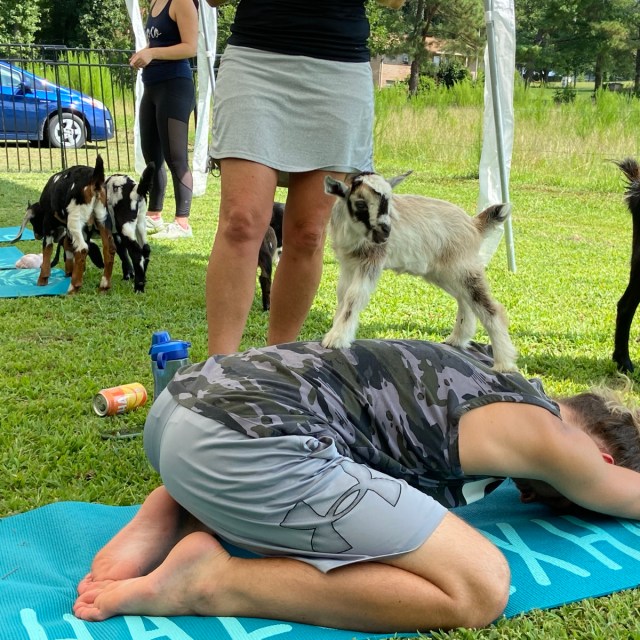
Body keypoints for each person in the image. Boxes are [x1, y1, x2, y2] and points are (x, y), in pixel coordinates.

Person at [73, 339, 640, 633]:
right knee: (480, 586)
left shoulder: (481, 368)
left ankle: (177, 504)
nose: (530, 494)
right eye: (552, 494)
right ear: (602, 454)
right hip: (245, 445)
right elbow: (622, 490)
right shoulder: (550, 433)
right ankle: (213, 583)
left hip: (184, 406)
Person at [203, 0, 406, 355]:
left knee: (308, 233)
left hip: (338, 67)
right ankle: (220, 372)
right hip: (256, 60)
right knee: (241, 221)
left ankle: (280, 366)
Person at [130, 0, 198, 240]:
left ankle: (182, 223)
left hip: (175, 87)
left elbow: (191, 47)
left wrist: (152, 52)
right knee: (152, 157)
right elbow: (159, 42)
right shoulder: (155, 3)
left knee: (176, 157)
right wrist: (143, 54)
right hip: (152, 87)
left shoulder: (182, 2)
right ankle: (154, 215)